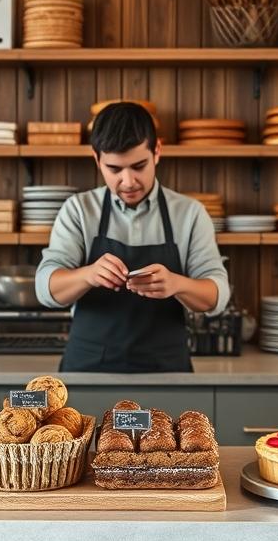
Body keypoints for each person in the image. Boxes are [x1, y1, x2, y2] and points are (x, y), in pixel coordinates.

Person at [36, 102, 230, 372]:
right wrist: (88, 275)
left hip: (166, 371)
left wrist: (176, 284)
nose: (128, 181)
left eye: (139, 166)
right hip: (89, 369)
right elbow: (45, 288)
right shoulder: (79, 210)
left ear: (157, 151)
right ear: (97, 159)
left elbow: (216, 296)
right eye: (114, 169)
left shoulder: (189, 213)